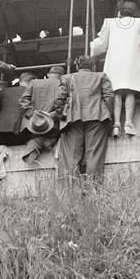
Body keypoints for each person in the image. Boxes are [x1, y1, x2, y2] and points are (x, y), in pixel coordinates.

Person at [91, 0, 140, 137]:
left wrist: (91, 49)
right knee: (130, 89)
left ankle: (116, 125)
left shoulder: (110, 22)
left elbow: (101, 43)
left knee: (117, 91)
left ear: (119, 12)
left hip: (115, 61)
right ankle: (129, 124)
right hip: (133, 60)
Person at [53, 55, 113, 187]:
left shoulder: (67, 77)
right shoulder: (101, 76)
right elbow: (109, 97)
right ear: (93, 67)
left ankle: (70, 194)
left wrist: (61, 116)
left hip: (73, 119)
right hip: (97, 118)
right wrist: (107, 116)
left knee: (71, 158)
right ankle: (93, 192)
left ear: (76, 66)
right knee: (94, 157)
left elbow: (59, 100)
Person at [19, 66, 64, 163]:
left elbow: (23, 101)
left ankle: (36, 143)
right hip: (53, 127)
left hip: (33, 126)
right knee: (58, 136)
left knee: (33, 136)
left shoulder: (34, 82)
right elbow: (64, 107)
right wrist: (49, 116)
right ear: (62, 76)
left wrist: (35, 116)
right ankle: (43, 142)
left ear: (48, 74)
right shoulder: (63, 85)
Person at [0, 72, 35, 145]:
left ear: (20, 82)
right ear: (32, 83)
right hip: (18, 130)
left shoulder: (5, 91)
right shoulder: (32, 93)